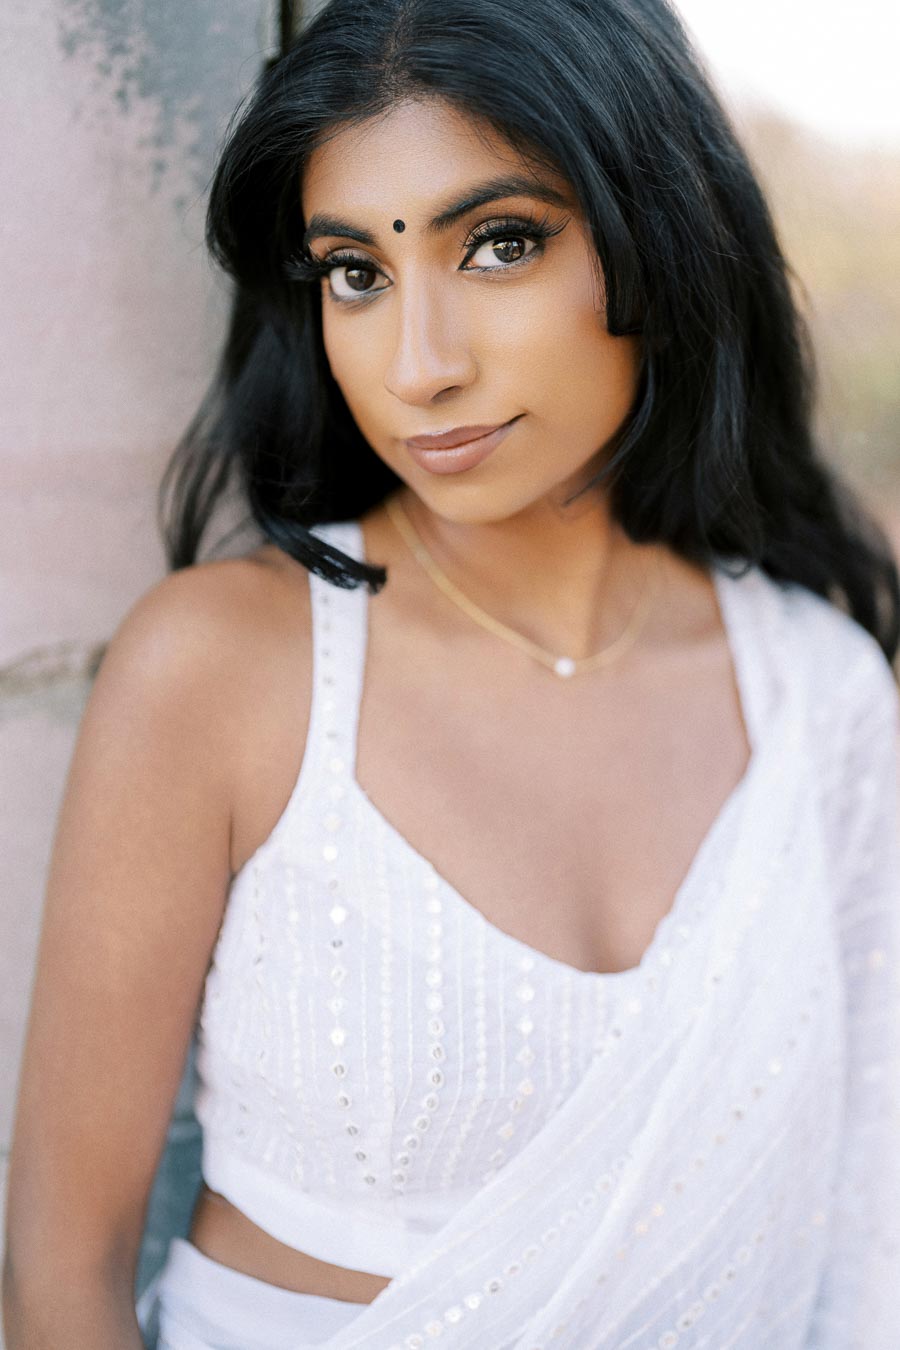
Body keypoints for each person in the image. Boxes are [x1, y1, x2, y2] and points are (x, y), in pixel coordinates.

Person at [4, 0, 900, 1345]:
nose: (421, 365)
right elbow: (58, 1284)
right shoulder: (222, 674)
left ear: (655, 237)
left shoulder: (820, 699)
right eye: (355, 271)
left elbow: (865, 1246)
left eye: (501, 244)